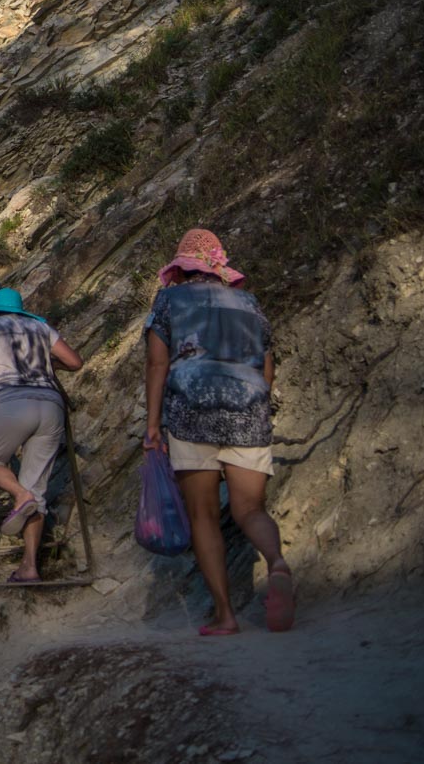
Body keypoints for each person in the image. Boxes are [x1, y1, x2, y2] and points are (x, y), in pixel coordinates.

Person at [142, 228, 294, 636]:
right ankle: (277, 562)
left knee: (203, 516)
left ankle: (225, 615)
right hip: (248, 412)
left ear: (181, 267)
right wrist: (255, 403)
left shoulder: (169, 300)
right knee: (250, 511)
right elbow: (267, 367)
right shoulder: (249, 303)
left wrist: (153, 424)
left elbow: (157, 365)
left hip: (192, 411)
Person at [0, 288, 85, 582]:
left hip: (11, 401)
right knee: (37, 491)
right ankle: (29, 566)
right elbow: (76, 362)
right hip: (51, 405)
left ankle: (18, 493)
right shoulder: (41, 327)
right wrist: (48, 366)